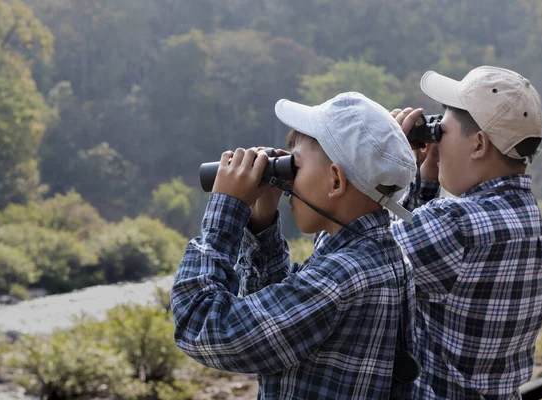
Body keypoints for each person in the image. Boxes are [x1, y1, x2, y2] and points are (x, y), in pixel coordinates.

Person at [171, 92, 419, 399]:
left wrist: (226, 210)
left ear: (335, 181)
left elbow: (201, 325)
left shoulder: (342, 278)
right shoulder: (373, 255)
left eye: (295, 166)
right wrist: (262, 228)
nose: (287, 182)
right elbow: (276, 323)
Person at [390, 66, 542, 399]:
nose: (435, 142)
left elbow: (353, 254)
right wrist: (427, 178)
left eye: (441, 132)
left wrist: (386, 163)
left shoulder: (456, 224)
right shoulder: (537, 228)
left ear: (479, 144)